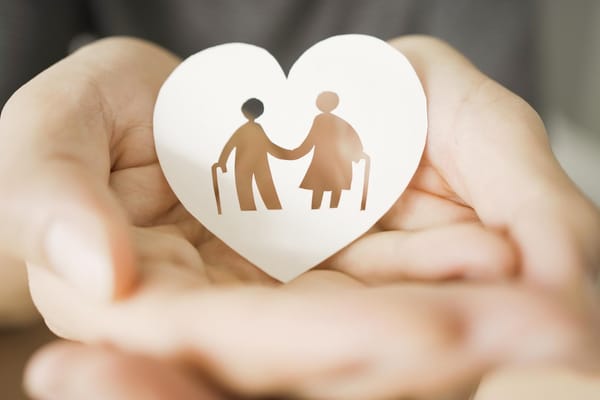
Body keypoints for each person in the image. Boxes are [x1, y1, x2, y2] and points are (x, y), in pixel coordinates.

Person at [0, 2, 599, 399]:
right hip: (204, 182)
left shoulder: (310, 125)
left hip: (435, 190)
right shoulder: (246, 131)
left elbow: (315, 149)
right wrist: (54, 237)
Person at [290, 91, 369, 209]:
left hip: (329, 165)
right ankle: (330, 213)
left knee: (321, 191)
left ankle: (323, 214)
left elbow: (309, 142)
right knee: (332, 191)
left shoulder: (321, 120)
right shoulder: (340, 121)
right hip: (336, 166)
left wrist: (293, 154)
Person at [216, 98, 293, 211]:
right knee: (256, 190)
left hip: (249, 165)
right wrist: (287, 154)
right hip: (249, 165)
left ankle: (270, 209)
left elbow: (229, 146)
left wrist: (222, 162)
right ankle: (266, 209)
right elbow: (269, 146)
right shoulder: (252, 129)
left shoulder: (246, 129)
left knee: (260, 190)